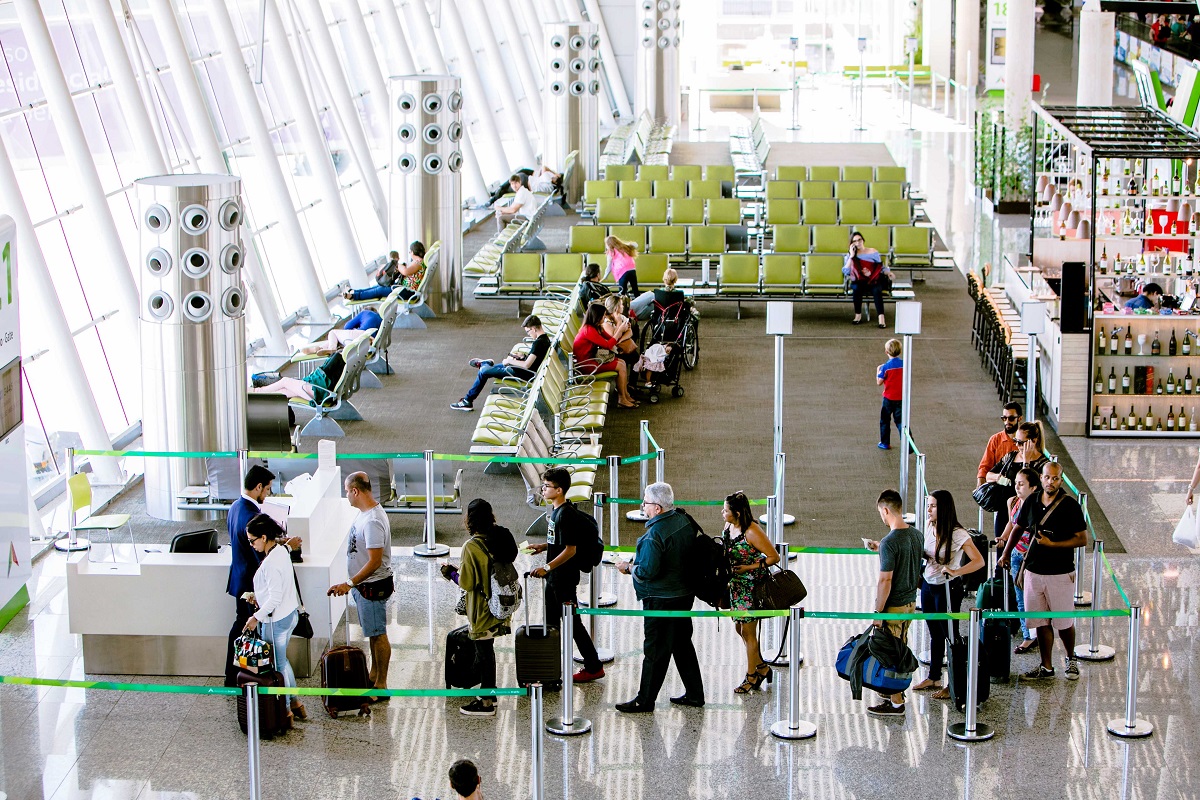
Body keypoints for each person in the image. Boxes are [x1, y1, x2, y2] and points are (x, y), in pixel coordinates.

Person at [615, 482, 705, 712]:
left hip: (660, 598)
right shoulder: (684, 520)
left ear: (656, 507)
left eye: (645, 502)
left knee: (655, 650)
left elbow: (647, 572)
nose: (642, 506)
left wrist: (628, 567)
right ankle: (695, 694)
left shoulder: (654, 535)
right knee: (682, 643)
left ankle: (644, 700)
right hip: (684, 593)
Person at [225, 465, 300, 687]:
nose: (267, 494)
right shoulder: (252, 515)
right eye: (266, 489)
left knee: (240, 628)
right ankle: (241, 679)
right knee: (249, 633)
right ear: (258, 487)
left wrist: (279, 543)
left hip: (238, 578)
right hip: (251, 585)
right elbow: (259, 552)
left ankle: (234, 677)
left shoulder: (236, 507)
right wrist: (284, 547)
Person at [441, 499, 518, 717]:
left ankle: (486, 703)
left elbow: (467, 583)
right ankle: (489, 692)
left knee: (484, 653)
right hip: (499, 604)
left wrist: (451, 573)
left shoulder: (472, 546)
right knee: (488, 650)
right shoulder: (500, 537)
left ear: (470, 520)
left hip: (482, 608)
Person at [528, 468, 606, 683]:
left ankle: (593, 665)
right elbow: (560, 542)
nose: (543, 490)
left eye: (547, 486)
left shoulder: (566, 515)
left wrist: (548, 567)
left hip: (563, 578)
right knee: (553, 623)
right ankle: (552, 668)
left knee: (572, 623)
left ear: (559, 490)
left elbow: (571, 549)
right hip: (555, 578)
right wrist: (544, 547)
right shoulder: (557, 512)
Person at [1014, 462, 1088, 682]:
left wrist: (1052, 544)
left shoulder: (1070, 506)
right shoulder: (1032, 501)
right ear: (1041, 478)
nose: (1050, 482)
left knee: (1064, 622)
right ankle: (1046, 666)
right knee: (1041, 622)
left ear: (1061, 480)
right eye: (1047, 478)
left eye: (1055, 478)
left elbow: (1082, 539)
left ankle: (1070, 658)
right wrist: (1006, 554)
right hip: (1034, 570)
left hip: (1060, 572)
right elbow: (1018, 526)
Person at [911, 490, 984, 699]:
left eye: (933, 506)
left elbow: (978, 561)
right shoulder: (929, 526)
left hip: (947, 588)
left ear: (943, 508)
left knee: (952, 636)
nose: (929, 509)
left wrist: (955, 571)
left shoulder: (958, 534)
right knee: (934, 632)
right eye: (929, 505)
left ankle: (955, 682)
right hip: (928, 584)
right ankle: (934, 676)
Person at [327, 471, 393, 695]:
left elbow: (375, 562)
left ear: (355, 491)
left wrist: (350, 582)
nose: (346, 495)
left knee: (378, 633)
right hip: (364, 586)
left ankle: (381, 684)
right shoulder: (366, 513)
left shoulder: (373, 521)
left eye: (347, 491)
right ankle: (374, 676)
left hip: (372, 585)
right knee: (374, 633)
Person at [862, 489, 923, 716]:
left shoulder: (890, 542)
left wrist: (878, 612)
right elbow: (908, 556)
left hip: (893, 605)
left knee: (890, 653)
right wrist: (881, 548)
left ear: (886, 510)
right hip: (910, 603)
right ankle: (892, 693)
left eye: (881, 512)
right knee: (901, 645)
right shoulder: (916, 535)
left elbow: (885, 580)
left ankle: (896, 701)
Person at [243, 514, 307, 722]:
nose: (251, 544)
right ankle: (296, 703)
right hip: (290, 616)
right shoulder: (281, 550)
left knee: (278, 667)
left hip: (275, 622)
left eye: (252, 540)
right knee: (283, 662)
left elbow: (275, 597)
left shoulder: (270, 562)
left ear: (263, 537)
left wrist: (255, 617)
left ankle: (286, 709)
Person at [723, 490, 780, 694]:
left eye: (726, 510)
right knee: (740, 629)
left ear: (737, 513)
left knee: (749, 632)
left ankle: (751, 676)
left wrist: (748, 568)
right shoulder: (729, 526)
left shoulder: (752, 531)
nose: (723, 512)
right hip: (736, 586)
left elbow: (774, 557)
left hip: (750, 588)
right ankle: (762, 667)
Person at [451, 315, 550, 411]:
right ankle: (469, 397)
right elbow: (534, 359)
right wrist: (522, 356)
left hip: (522, 373)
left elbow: (526, 365)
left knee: (483, 371)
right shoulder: (545, 339)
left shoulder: (538, 343)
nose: (528, 334)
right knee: (486, 370)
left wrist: (509, 361)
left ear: (533, 329)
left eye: (528, 331)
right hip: (523, 371)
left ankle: (468, 400)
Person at [997, 466, 1043, 654]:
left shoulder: (1037, 506)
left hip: (1031, 557)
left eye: (1022, 484)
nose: (1017, 487)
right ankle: (1028, 634)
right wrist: (1003, 538)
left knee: (1032, 596)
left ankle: (1034, 633)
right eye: (1016, 483)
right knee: (1020, 595)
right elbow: (1012, 523)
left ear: (1033, 487)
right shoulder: (1013, 501)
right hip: (1016, 553)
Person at [984, 421, 1050, 538]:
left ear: (1033, 441)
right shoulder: (1011, 456)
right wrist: (998, 478)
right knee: (1002, 545)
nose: (1018, 446)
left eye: (1021, 443)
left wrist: (1026, 462)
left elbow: (1038, 492)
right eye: (1016, 441)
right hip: (1005, 509)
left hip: (1028, 514)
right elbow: (988, 475)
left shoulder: (1043, 465)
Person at [573, 301, 639, 409]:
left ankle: (625, 395)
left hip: (592, 359)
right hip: (586, 365)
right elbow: (608, 345)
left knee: (622, 362)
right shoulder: (589, 330)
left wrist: (621, 330)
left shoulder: (595, 327)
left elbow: (610, 339)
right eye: (603, 316)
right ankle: (622, 398)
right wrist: (620, 330)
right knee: (621, 366)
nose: (605, 318)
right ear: (597, 316)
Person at [977, 402, 1024, 538]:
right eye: (1004, 418)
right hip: (1002, 497)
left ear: (1019, 418)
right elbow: (985, 467)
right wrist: (981, 490)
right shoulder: (996, 440)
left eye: (1011, 418)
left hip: (1021, 498)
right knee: (1001, 535)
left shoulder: (1025, 442)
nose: (1007, 422)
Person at [343, 242, 426, 302]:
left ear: (414, 252)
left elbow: (405, 271)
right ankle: (354, 292)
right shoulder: (418, 262)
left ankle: (354, 296)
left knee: (379, 290)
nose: (410, 253)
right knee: (377, 287)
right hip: (402, 289)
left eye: (410, 251)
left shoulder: (418, 263)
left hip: (406, 292)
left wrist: (396, 264)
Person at [843, 230, 891, 327]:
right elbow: (846, 271)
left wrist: (889, 272)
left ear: (863, 240)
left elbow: (880, 268)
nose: (858, 243)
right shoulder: (850, 255)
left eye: (859, 240)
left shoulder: (873, 251)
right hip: (859, 280)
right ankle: (858, 315)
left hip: (873, 279)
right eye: (854, 241)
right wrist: (852, 256)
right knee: (856, 288)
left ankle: (881, 318)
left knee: (877, 290)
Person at [298, 306, 381, 356]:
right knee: (337, 338)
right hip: (367, 341)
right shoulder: (380, 319)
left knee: (333, 332)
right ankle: (320, 348)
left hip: (361, 336)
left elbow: (347, 326)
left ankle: (331, 348)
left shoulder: (365, 312)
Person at [876, 338, 903, 450]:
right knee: (901, 421)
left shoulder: (885, 367)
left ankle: (885, 442)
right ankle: (908, 443)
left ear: (887, 352)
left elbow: (879, 382)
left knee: (885, 420)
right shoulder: (904, 364)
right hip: (901, 397)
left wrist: (878, 370)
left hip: (888, 398)